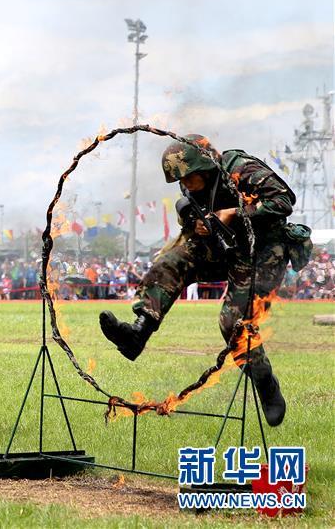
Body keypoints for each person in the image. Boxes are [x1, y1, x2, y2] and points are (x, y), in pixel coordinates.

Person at [98, 134, 310, 427]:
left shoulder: (240, 168)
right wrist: (197, 224)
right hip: (226, 248)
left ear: (205, 167)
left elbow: (284, 201)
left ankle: (265, 383)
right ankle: (138, 333)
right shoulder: (194, 189)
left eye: (189, 178)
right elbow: (192, 217)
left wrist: (233, 214)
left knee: (232, 324)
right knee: (172, 260)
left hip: (263, 252)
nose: (186, 186)